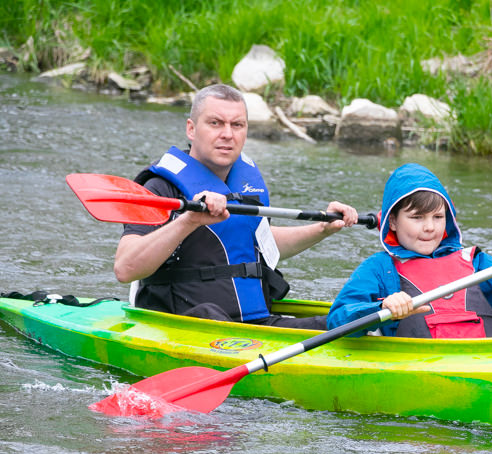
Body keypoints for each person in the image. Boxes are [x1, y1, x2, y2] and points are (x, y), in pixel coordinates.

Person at [115, 83, 358, 329]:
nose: (227, 134)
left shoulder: (247, 183)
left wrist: (322, 229)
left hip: (255, 323)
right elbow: (125, 269)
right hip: (186, 326)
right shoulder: (160, 188)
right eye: (215, 123)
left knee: (347, 325)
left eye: (237, 125)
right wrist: (189, 221)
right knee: (210, 314)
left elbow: (262, 244)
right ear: (191, 129)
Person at [326, 162, 492, 338]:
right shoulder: (379, 268)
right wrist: (381, 307)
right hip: (420, 363)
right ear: (392, 222)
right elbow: (338, 319)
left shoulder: (473, 261)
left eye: (438, 217)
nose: (429, 227)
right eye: (417, 218)